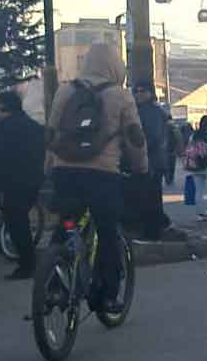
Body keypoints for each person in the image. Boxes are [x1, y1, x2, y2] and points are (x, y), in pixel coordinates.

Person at [47, 43, 148, 314]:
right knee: (107, 231)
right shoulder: (121, 96)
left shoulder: (65, 90)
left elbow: (51, 133)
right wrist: (141, 169)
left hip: (64, 172)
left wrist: (50, 167)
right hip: (102, 175)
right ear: (115, 66)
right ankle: (108, 296)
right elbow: (134, 138)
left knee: (65, 225)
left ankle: (52, 281)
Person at [0, 91, 45, 280]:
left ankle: (27, 264)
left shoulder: (4, 128)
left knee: (17, 224)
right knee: (22, 221)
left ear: (3, 108)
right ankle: (29, 260)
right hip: (33, 180)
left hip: (12, 182)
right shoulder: (35, 127)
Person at [132, 81, 172, 241]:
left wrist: (136, 149)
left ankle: (152, 233)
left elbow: (152, 138)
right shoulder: (140, 110)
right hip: (146, 161)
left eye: (143, 90)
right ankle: (156, 227)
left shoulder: (152, 111)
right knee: (148, 198)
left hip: (152, 162)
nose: (139, 94)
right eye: (136, 91)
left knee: (149, 199)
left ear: (151, 93)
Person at [163, 114, 184, 186]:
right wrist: (180, 150)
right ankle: (170, 179)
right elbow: (178, 138)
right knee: (171, 164)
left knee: (166, 164)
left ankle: (167, 178)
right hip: (172, 149)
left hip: (163, 149)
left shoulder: (161, 126)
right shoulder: (174, 126)